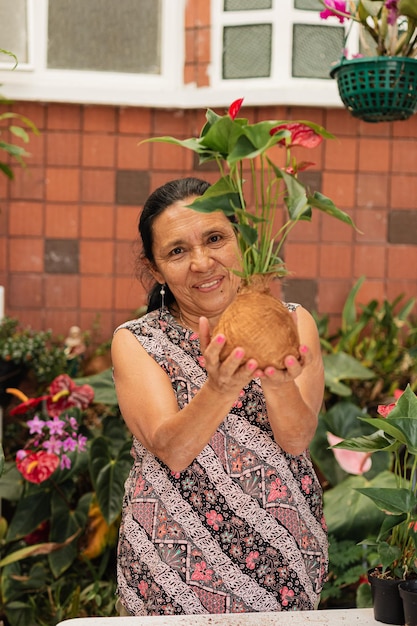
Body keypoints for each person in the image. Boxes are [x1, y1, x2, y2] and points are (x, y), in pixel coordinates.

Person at [111, 177, 328, 616]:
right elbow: (171, 449)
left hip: (283, 562)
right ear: (155, 270)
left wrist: (276, 376)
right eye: (177, 251)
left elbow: (296, 439)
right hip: (172, 572)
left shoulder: (292, 322)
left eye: (215, 238)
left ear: (241, 240)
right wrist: (220, 387)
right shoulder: (137, 341)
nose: (202, 262)